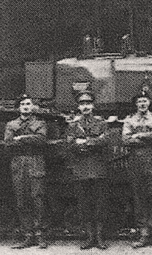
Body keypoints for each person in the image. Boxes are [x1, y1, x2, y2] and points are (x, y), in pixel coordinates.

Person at [122, 90, 152, 249]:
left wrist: (138, 136)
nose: (142, 104)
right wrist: (149, 135)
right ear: (136, 104)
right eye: (139, 101)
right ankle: (143, 234)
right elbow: (126, 139)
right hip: (136, 163)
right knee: (139, 198)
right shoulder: (129, 120)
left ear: (149, 103)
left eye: (145, 101)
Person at [4, 94, 51, 249]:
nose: (25, 106)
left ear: (32, 106)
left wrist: (21, 138)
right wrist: (30, 138)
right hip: (18, 163)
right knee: (21, 199)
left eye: (28, 103)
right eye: (22, 103)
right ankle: (28, 235)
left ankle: (40, 235)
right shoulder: (11, 124)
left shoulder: (40, 122)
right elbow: (9, 143)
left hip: (35, 160)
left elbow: (41, 139)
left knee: (37, 198)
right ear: (19, 107)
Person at [65, 91, 109, 250]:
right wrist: (91, 143)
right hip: (81, 169)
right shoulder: (72, 125)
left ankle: (99, 237)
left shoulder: (102, 123)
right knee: (85, 204)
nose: (85, 107)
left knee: (100, 204)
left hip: (98, 168)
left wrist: (84, 142)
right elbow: (70, 144)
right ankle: (90, 237)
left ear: (93, 105)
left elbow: (105, 141)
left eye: (88, 103)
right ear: (78, 106)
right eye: (82, 104)